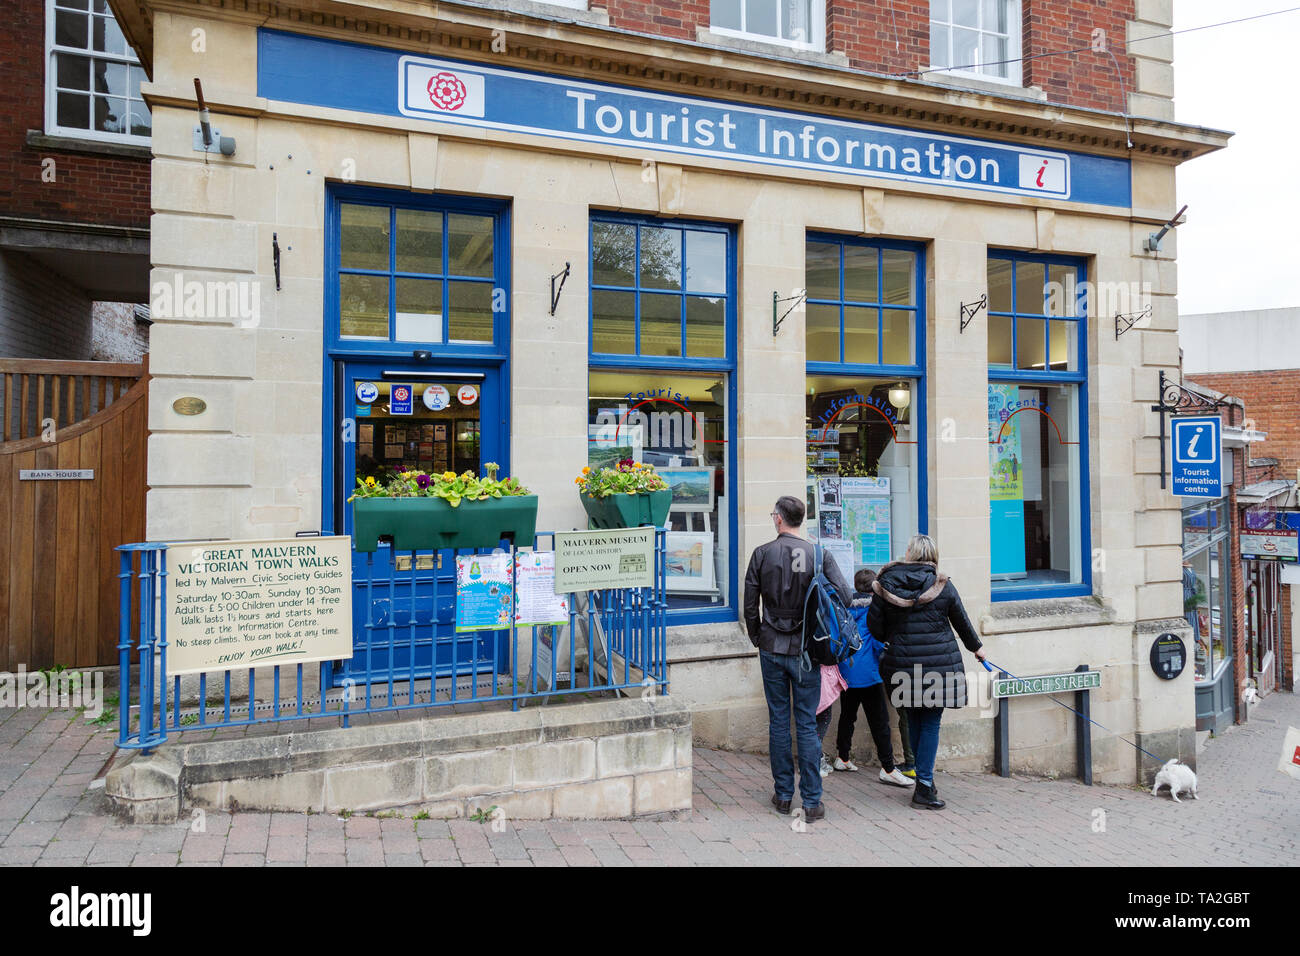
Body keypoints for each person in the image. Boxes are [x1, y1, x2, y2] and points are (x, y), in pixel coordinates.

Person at [744, 495, 852, 822]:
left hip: (772, 646)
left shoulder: (762, 554)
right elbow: (845, 597)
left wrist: (758, 637)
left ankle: (782, 794)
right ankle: (812, 800)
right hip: (808, 650)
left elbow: (750, 606)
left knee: (779, 720)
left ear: (779, 519)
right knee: (805, 722)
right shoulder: (819, 554)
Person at [866, 533, 985, 810]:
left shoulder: (886, 585)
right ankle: (925, 787)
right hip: (938, 666)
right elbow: (962, 623)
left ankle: (924, 782)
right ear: (932, 556)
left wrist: (891, 636)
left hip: (902, 663)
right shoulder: (943, 585)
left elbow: (875, 627)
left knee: (915, 718)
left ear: (908, 554)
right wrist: (977, 648)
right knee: (930, 722)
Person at [836, 568, 914, 787]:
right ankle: (888, 768)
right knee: (880, 722)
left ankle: (842, 757)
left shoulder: (845, 608)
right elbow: (879, 642)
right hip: (869, 674)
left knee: (847, 715)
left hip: (848, 672)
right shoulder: (875, 611)